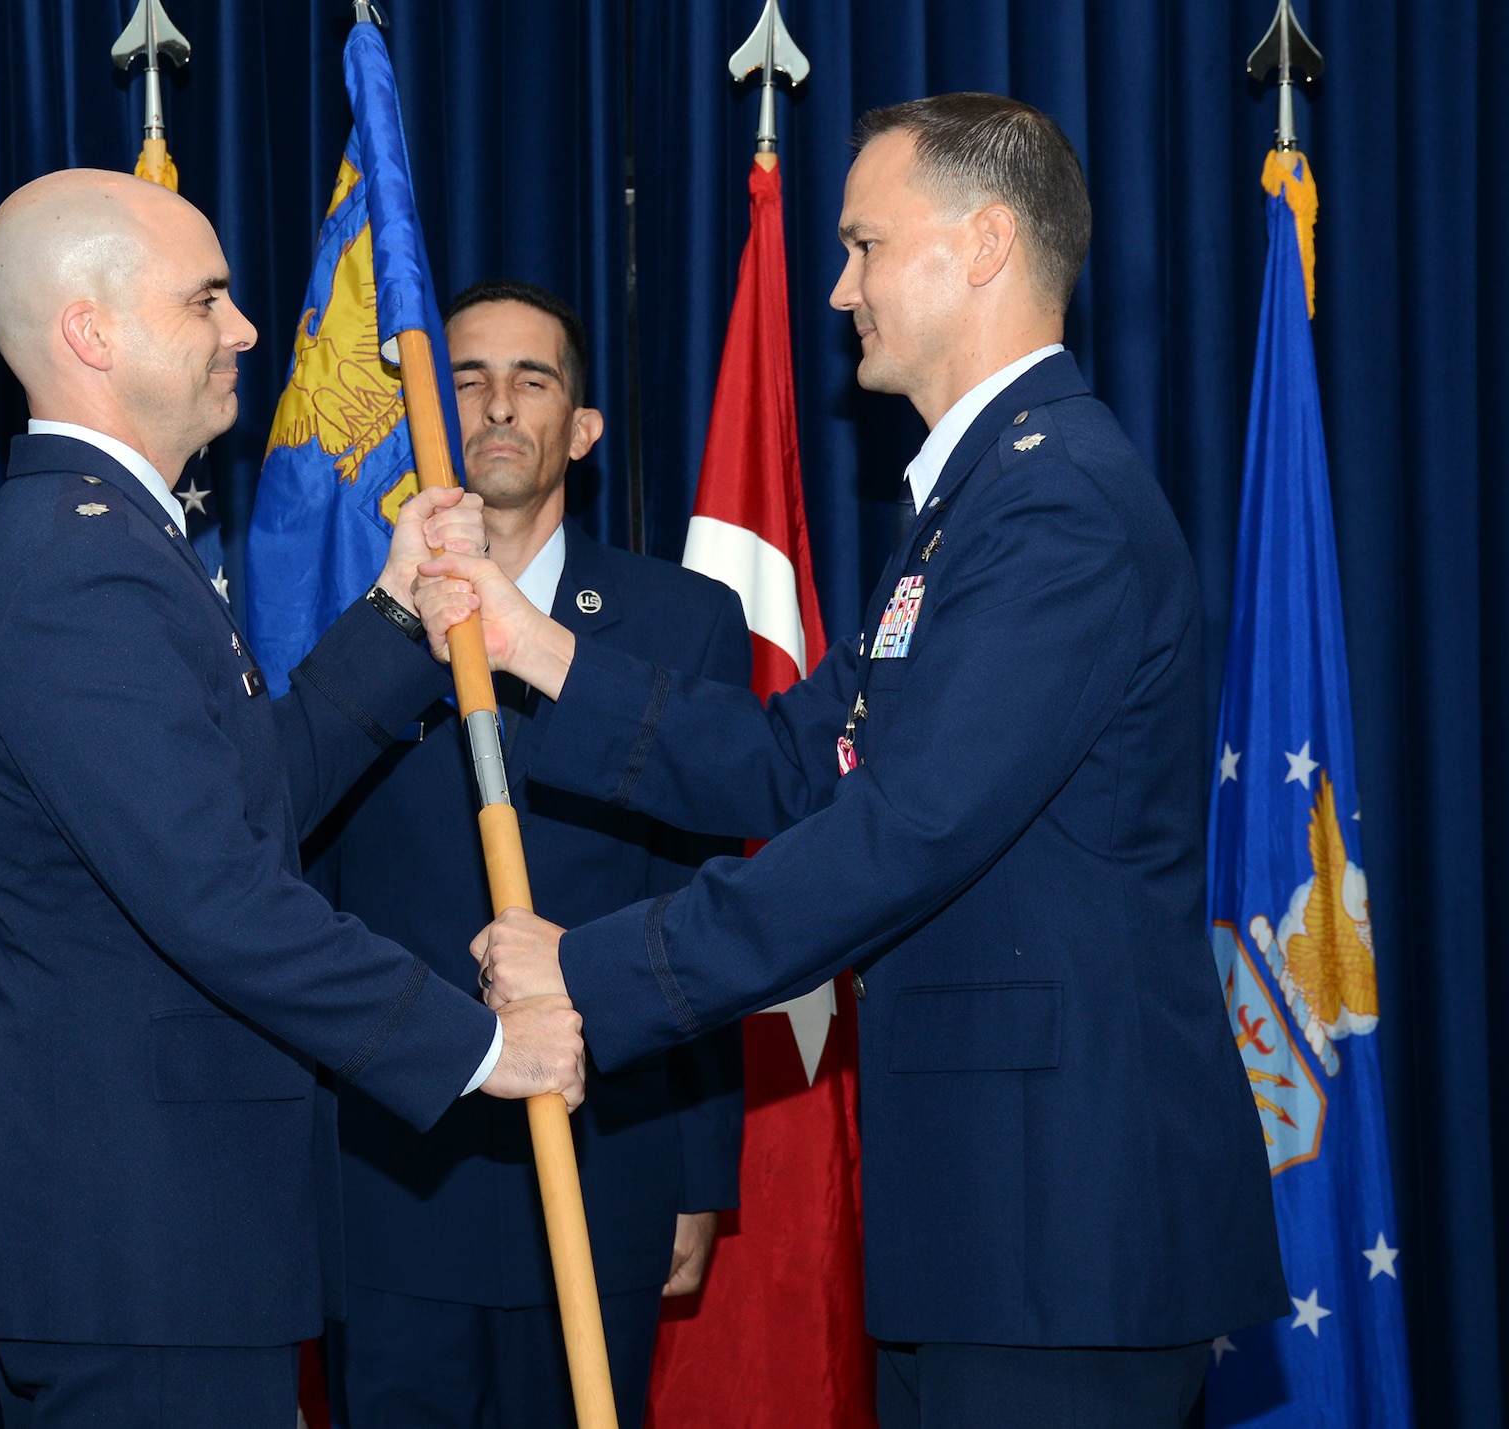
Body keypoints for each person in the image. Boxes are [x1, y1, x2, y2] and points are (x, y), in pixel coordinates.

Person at [424, 95, 1289, 1428]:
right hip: (990, 1224)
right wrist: (535, 646)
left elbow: (906, 829)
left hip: (1066, 1230)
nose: (839, 290)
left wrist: (588, 971)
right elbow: (793, 753)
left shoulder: (1055, 503)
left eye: (864, 246)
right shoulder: (978, 500)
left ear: (984, 243)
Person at [0, 169, 585, 1427]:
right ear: (90, 333)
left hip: (173, 1245)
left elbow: (247, 801)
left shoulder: (113, 543)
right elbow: (218, 898)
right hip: (138, 1250)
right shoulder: (79, 569)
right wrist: (480, 1045)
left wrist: (393, 613)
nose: (243, 328)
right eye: (206, 300)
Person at [306, 280, 748, 1427]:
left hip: (604, 1157)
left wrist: (697, 1171)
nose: (496, 405)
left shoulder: (682, 621)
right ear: (423, 417)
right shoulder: (350, 624)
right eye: (465, 379)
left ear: (581, 427)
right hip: (395, 1168)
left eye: (531, 379)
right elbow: (305, 890)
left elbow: (703, 895)